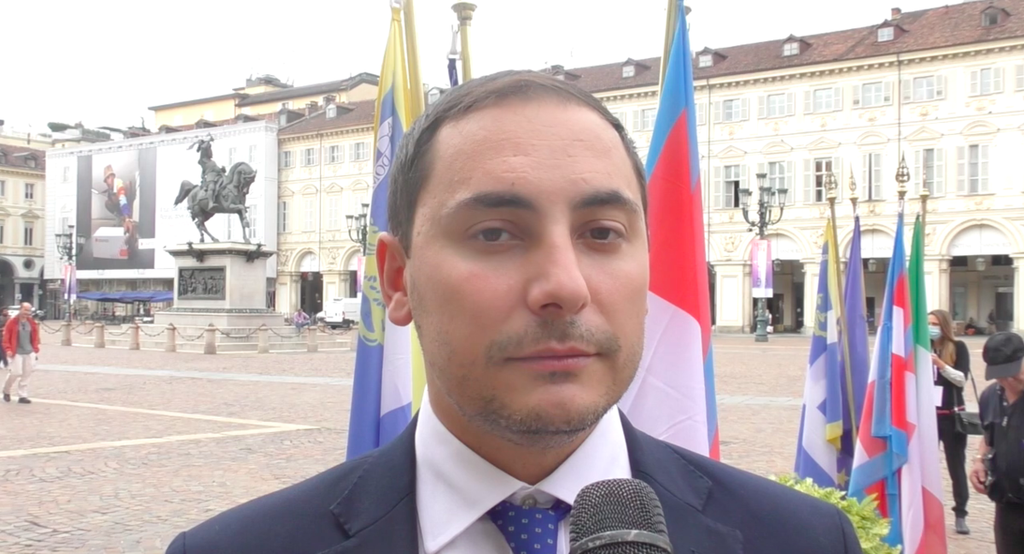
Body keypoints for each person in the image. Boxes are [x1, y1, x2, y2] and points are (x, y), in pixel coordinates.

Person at [165, 71, 862, 554]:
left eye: (602, 233)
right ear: (398, 279)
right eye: (495, 233)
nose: (564, 286)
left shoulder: (803, 541)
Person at [970, 331, 1024, 553]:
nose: (1008, 380)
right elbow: (989, 435)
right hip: (1007, 506)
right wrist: (979, 460)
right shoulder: (990, 396)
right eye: (1001, 375)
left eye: (1013, 373)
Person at [928, 309, 972, 534]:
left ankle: (960, 513)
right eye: (928, 323)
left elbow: (961, 379)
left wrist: (941, 365)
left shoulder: (958, 347)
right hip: (929, 416)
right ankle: (926, 510)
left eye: (935, 324)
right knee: (926, 465)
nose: (931, 327)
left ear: (944, 326)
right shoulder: (922, 347)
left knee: (956, 466)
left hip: (952, 416)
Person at [2, 302, 40, 404]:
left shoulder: (31, 322)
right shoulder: (12, 322)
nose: (27, 312)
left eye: (29, 310)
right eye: (25, 310)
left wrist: (35, 348)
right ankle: (6, 390)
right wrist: (8, 349)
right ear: (20, 309)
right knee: (15, 372)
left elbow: (35, 336)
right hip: (16, 352)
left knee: (27, 373)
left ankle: (22, 395)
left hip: (29, 351)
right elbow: (6, 338)